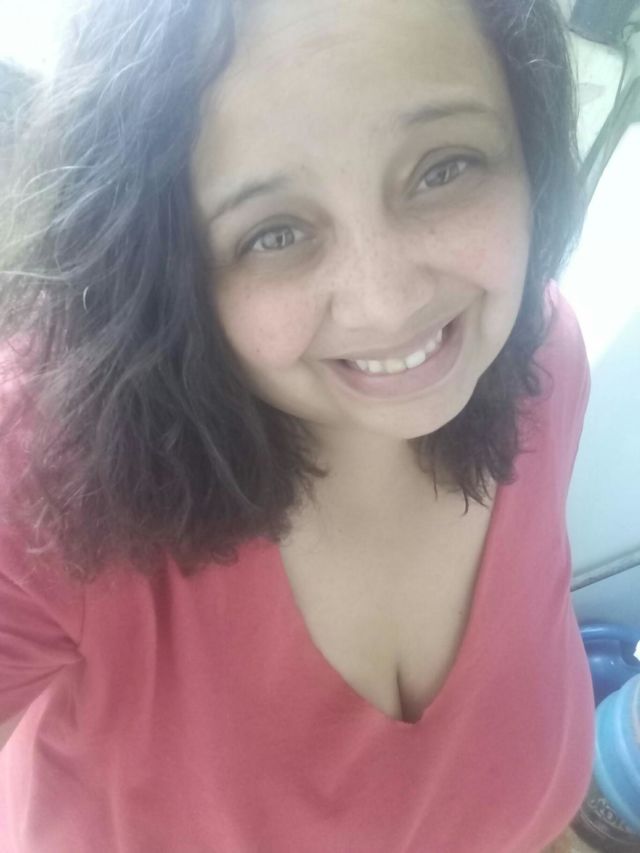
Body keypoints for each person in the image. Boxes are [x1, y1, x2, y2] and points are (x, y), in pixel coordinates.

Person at [0, 0, 594, 850]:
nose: (388, 302)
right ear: (161, 265)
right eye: (275, 232)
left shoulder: (538, 360)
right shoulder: (45, 466)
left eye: (444, 167)